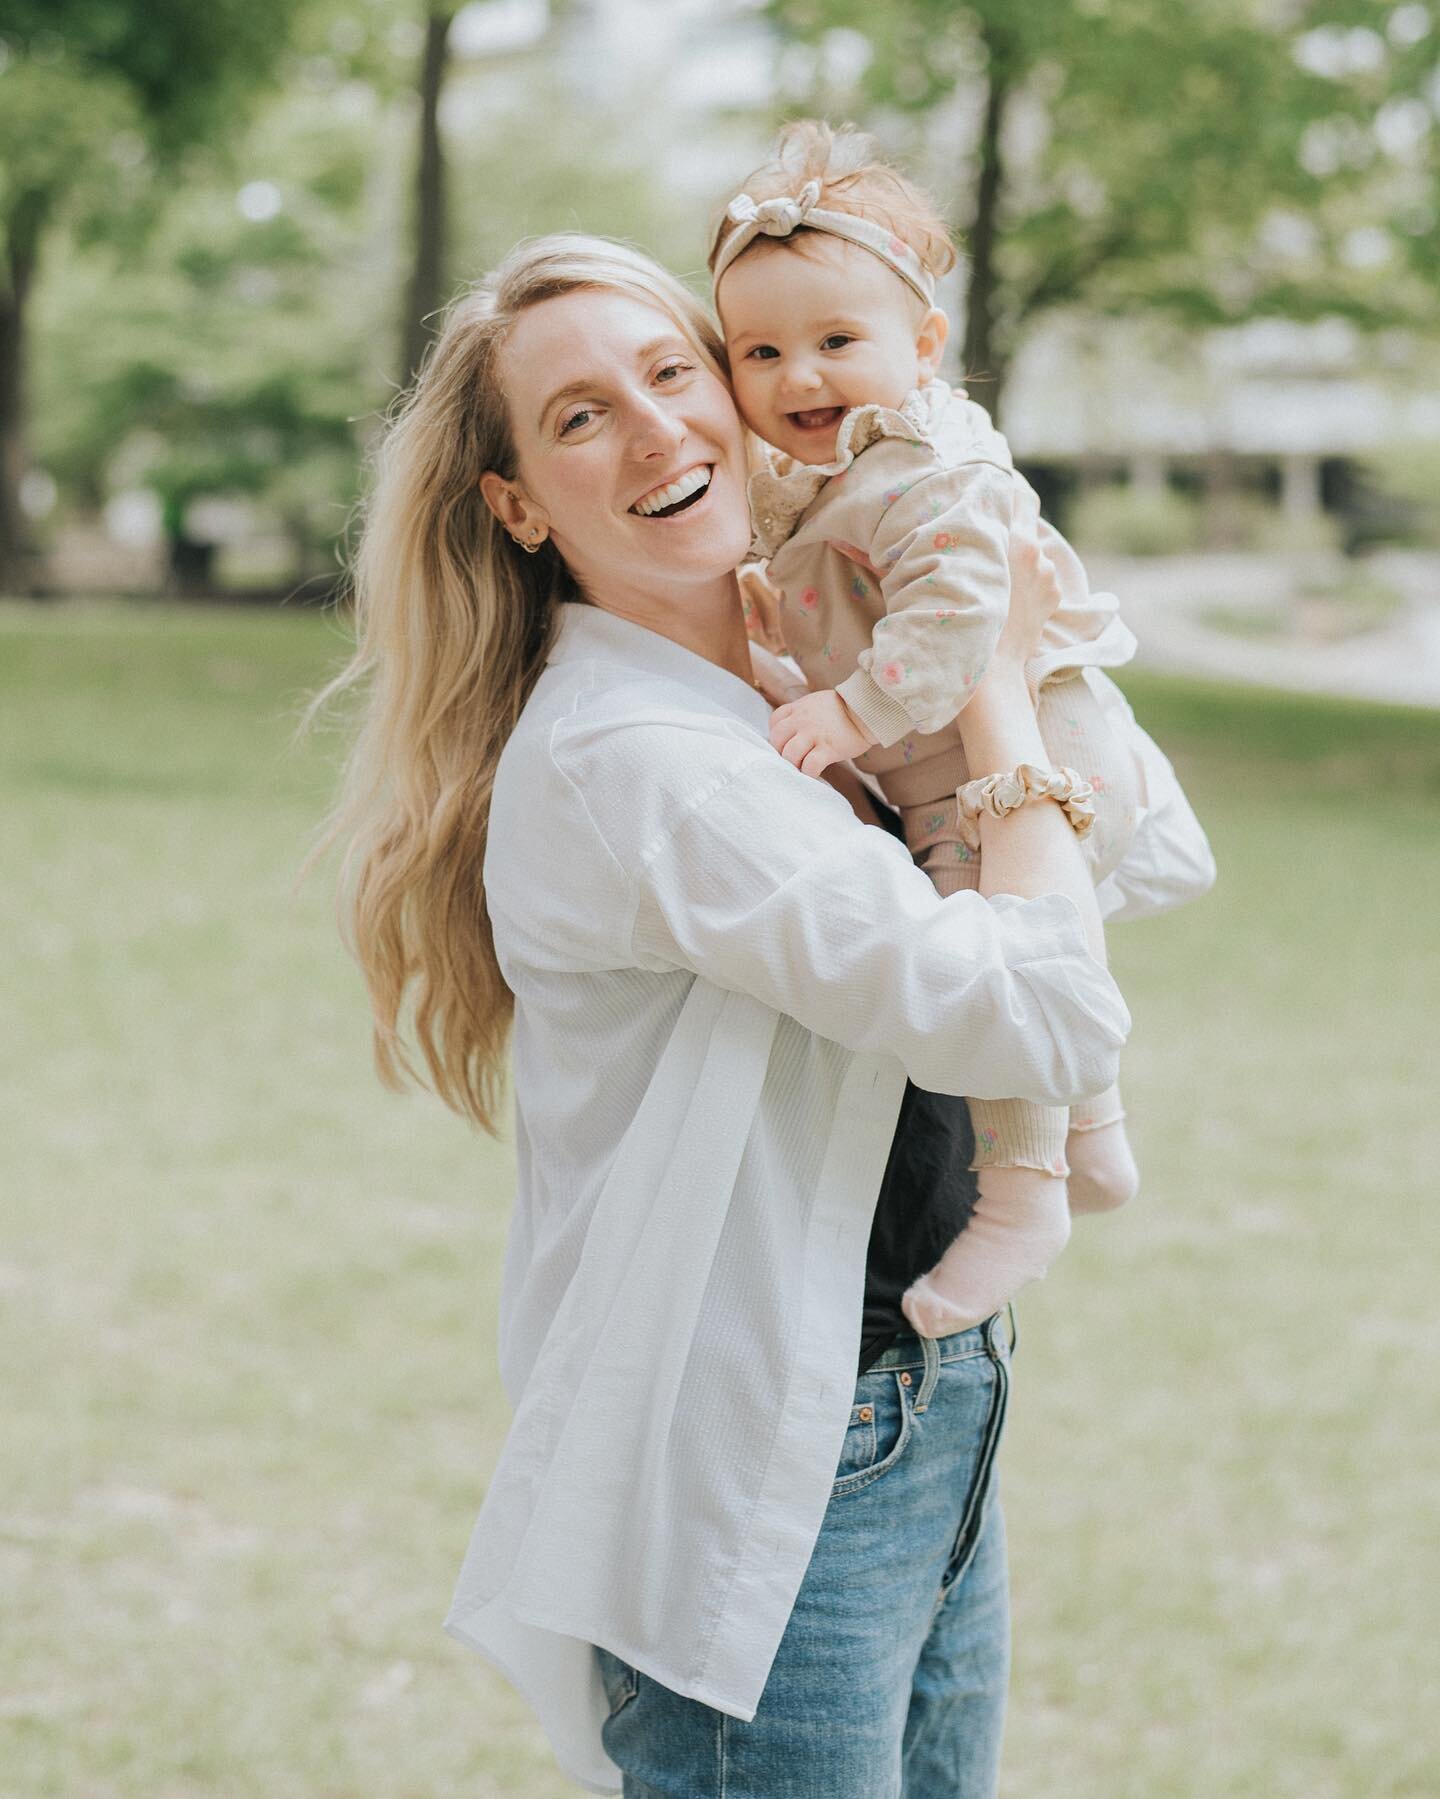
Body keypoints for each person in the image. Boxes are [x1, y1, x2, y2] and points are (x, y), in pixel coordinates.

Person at [311, 232, 1138, 1797]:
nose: (658, 431)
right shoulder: (645, 759)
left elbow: (1141, 844)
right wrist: (1004, 695)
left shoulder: (798, 665)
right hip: (782, 1448)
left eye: (675, 371)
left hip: (934, 1392)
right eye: (577, 417)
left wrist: (952, 612)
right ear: (513, 504)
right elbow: (1041, 1010)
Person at [711, 121, 1215, 1342]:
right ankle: (1091, 1141)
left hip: (1027, 746)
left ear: (924, 347)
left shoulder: (931, 466)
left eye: (837, 342)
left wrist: (849, 710)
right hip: (964, 743)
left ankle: (1024, 1192)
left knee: (996, 948)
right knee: (1013, 947)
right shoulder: (838, 471)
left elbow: (955, 615)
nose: (798, 377)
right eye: (760, 351)